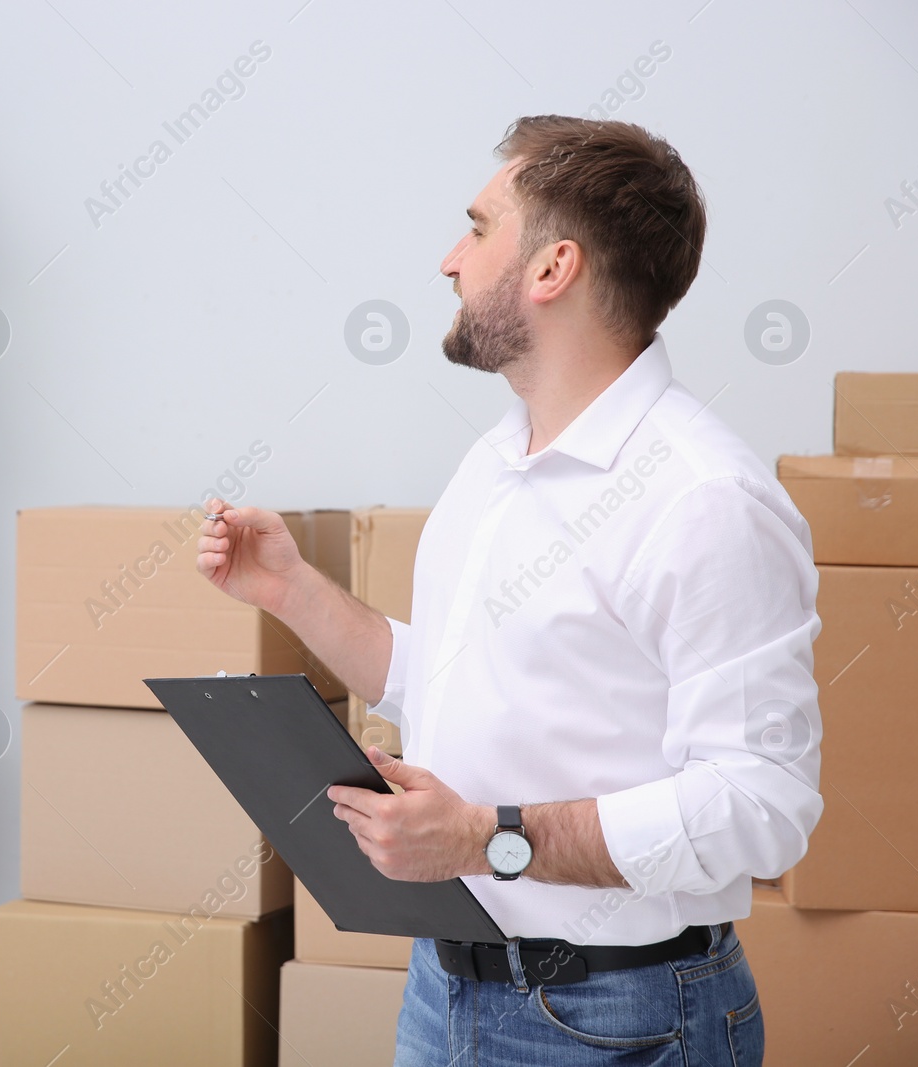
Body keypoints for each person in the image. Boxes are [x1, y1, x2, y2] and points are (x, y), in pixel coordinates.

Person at [196, 115, 821, 1066]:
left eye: (479, 227)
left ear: (552, 268)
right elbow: (458, 680)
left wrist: (489, 838)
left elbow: (762, 804)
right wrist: (290, 590)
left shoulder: (705, 499)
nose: (450, 259)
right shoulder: (498, 459)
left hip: (617, 1017)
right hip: (447, 987)